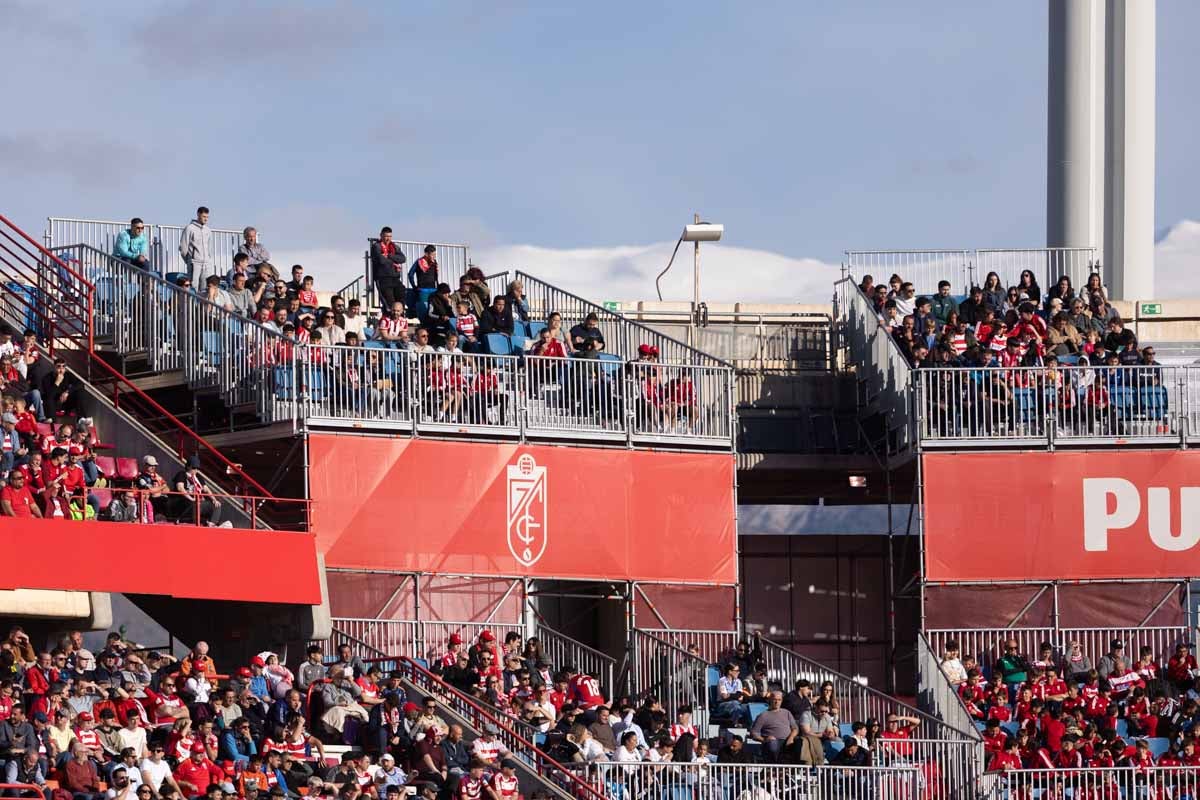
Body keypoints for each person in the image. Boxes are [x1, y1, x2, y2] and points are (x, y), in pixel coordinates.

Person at [748, 691, 798, 762]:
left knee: (800, 743)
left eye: (779, 700)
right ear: (770, 700)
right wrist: (764, 739)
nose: (777, 702)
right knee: (773, 744)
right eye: (774, 699)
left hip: (787, 740)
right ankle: (776, 768)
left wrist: (791, 737)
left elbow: (795, 728)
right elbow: (754, 733)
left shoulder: (787, 713)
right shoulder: (763, 715)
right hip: (773, 742)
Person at [371, 228, 407, 310]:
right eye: (386, 236)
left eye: (390, 236)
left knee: (401, 295)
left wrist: (389, 256)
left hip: (395, 278)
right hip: (383, 278)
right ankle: (389, 318)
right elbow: (381, 260)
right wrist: (394, 259)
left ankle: (400, 317)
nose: (388, 238)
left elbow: (403, 259)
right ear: (381, 236)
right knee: (389, 303)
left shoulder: (394, 246)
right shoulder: (376, 246)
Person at [179, 207, 214, 283]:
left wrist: (208, 259)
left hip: (206, 264)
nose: (206, 219)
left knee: (204, 287)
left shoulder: (208, 230)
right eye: (204, 216)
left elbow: (210, 247)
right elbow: (183, 247)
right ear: (198, 215)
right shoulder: (189, 228)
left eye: (207, 217)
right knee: (193, 286)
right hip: (194, 263)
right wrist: (189, 260)